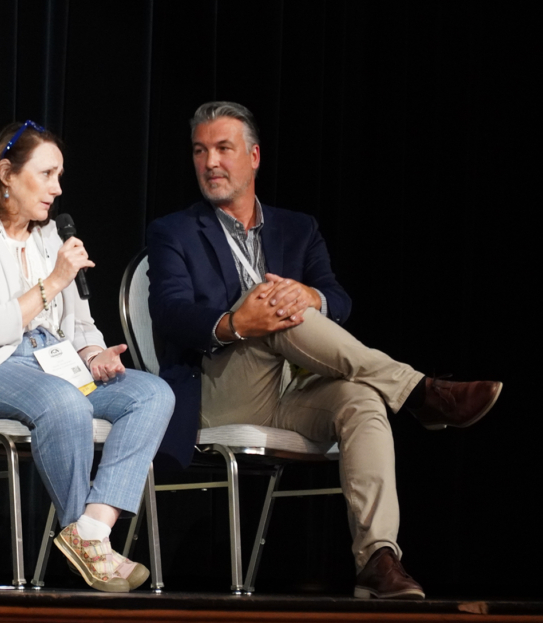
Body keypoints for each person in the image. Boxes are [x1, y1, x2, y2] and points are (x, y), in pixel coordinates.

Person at [146, 101, 502, 599]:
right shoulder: (174, 230)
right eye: (200, 151)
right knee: (267, 299)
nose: (210, 163)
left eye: (223, 148)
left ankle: (378, 559)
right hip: (220, 389)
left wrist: (310, 297)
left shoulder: (298, 227)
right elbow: (169, 313)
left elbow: (338, 298)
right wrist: (236, 323)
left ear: (254, 156)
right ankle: (420, 392)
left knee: (362, 399)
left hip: (293, 391)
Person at [0, 120, 175, 593]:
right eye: (46, 174)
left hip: (56, 361)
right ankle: (82, 535)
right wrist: (53, 282)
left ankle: (92, 530)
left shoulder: (50, 238)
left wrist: (94, 352)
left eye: (59, 176)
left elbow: (81, 323)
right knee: (65, 403)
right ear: (7, 174)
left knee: (152, 394)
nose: (57, 188)